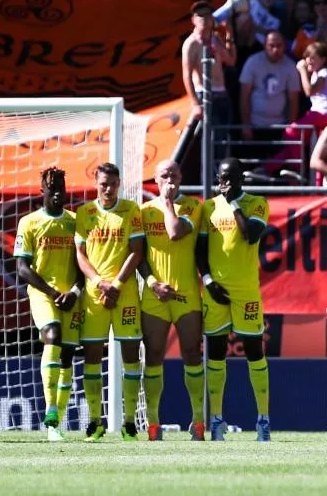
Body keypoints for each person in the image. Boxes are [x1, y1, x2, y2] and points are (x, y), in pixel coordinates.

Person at [197, 158, 270, 441]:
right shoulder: (208, 208)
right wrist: (207, 281)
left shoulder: (257, 203)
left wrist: (233, 203)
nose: (224, 183)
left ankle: (263, 420)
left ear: (241, 178)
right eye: (220, 178)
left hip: (246, 291)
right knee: (216, 352)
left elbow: (249, 235)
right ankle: (216, 421)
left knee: (254, 351)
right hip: (215, 291)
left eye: (229, 178)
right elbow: (200, 250)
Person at [75, 163, 145, 441]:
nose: (108, 188)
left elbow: (136, 252)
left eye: (113, 183)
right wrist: (99, 282)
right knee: (92, 356)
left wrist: (115, 284)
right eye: (103, 183)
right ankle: (95, 421)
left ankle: (129, 422)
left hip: (124, 292)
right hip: (95, 294)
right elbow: (80, 255)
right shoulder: (84, 213)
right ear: (96, 183)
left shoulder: (131, 211)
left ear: (119, 184)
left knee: (130, 354)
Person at [138, 160, 205, 442]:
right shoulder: (142, 212)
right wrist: (152, 283)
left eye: (174, 175)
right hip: (155, 296)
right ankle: (153, 423)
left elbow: (175, 232)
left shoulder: (192, 206)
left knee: (191, 353)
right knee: (153, 355)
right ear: (155, 178)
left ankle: (198, 422)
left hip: (187, 293)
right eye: (164, 175)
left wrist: (167, 203)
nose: (169, 180)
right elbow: (137, 256)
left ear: (181, 177)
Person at [13, 168, 81, 442]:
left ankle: (57, 424)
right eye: (50, 188)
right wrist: (52, 292)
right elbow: (21, 268)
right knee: (52, 334)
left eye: (60, 187)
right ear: (41, 191)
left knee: (66, 357)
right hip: (43, 294)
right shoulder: (29, 223)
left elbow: (83, 263)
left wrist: (75, 291)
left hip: (72, 295)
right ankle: (51, 409)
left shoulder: (75, 223)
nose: (56, 192)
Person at [181, 0, 238, 126]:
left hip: (221, 94)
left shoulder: (215, 39)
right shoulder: (191, 44)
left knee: (223, 139)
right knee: (210, 139)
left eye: (207, 14)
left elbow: (231, 61)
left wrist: (229, 34)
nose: (203, 18)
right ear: (193, 20)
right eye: (199, 15)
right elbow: (187, 75)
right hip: (205, 94)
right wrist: (195, 104)